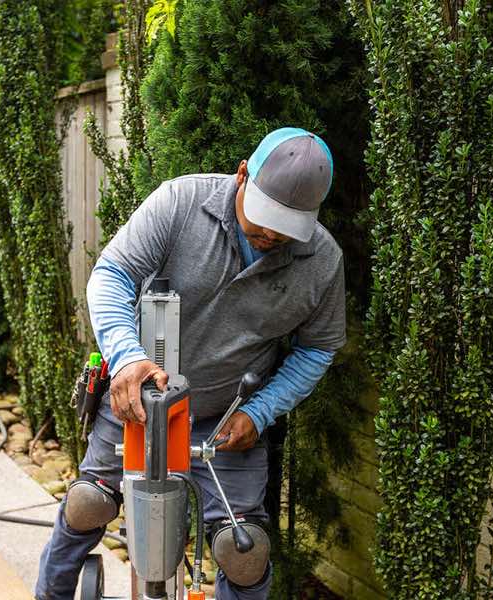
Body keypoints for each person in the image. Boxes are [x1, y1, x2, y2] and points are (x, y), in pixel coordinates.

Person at [36, 127, 346, 600]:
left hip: (225, 422)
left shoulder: (321, 261)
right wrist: (126, 358)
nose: (269, 234)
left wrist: (259, 412)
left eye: (285, 227)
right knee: (87, 504)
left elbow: (317, 348)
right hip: (138, 406)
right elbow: (112, 274)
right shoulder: (180, 202)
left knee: (244, 553)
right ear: (242, 175)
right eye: (263, 218)